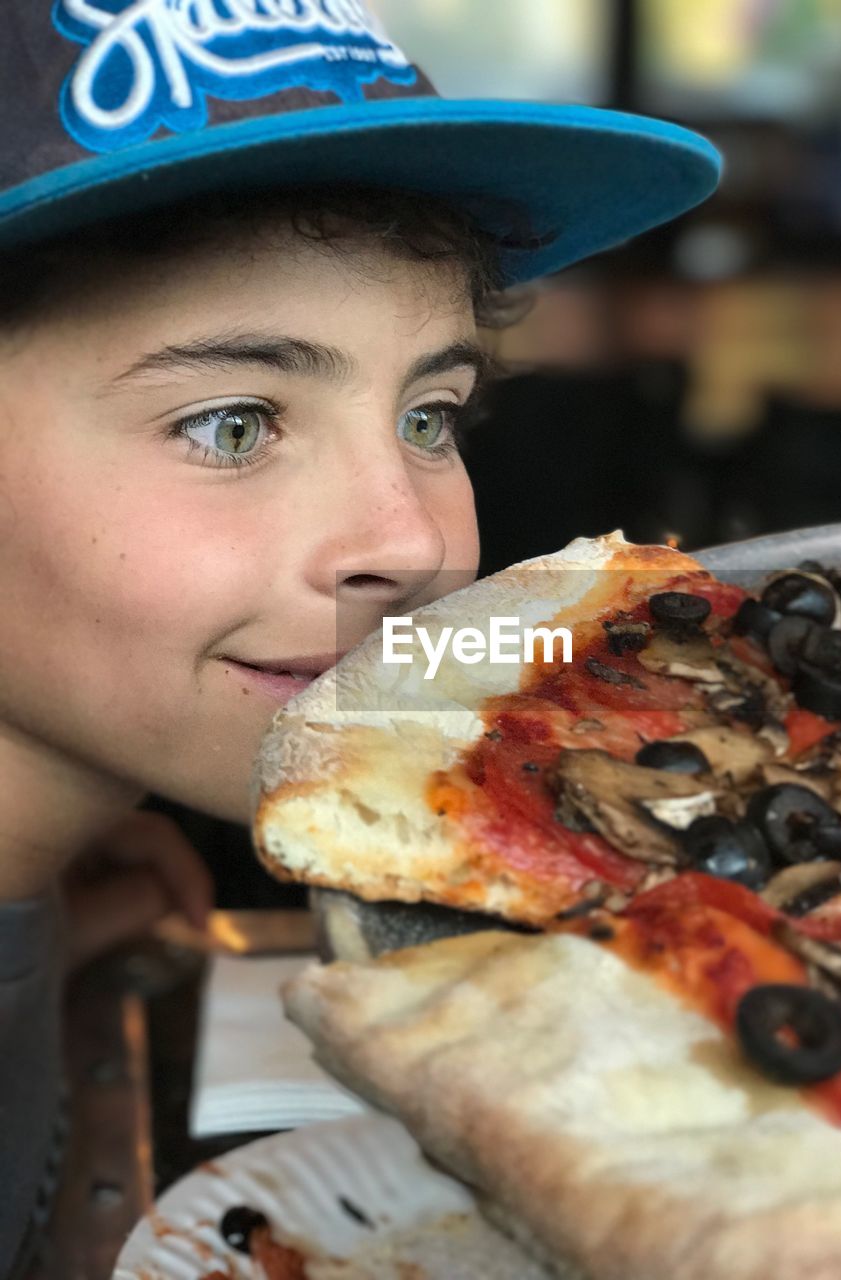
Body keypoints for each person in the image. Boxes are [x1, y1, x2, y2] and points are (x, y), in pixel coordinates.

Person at [0, 3, 721, 1274]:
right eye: (233, 423)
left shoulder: (74, 860)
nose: (415, 541)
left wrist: (49, 911)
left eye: (431, 415)